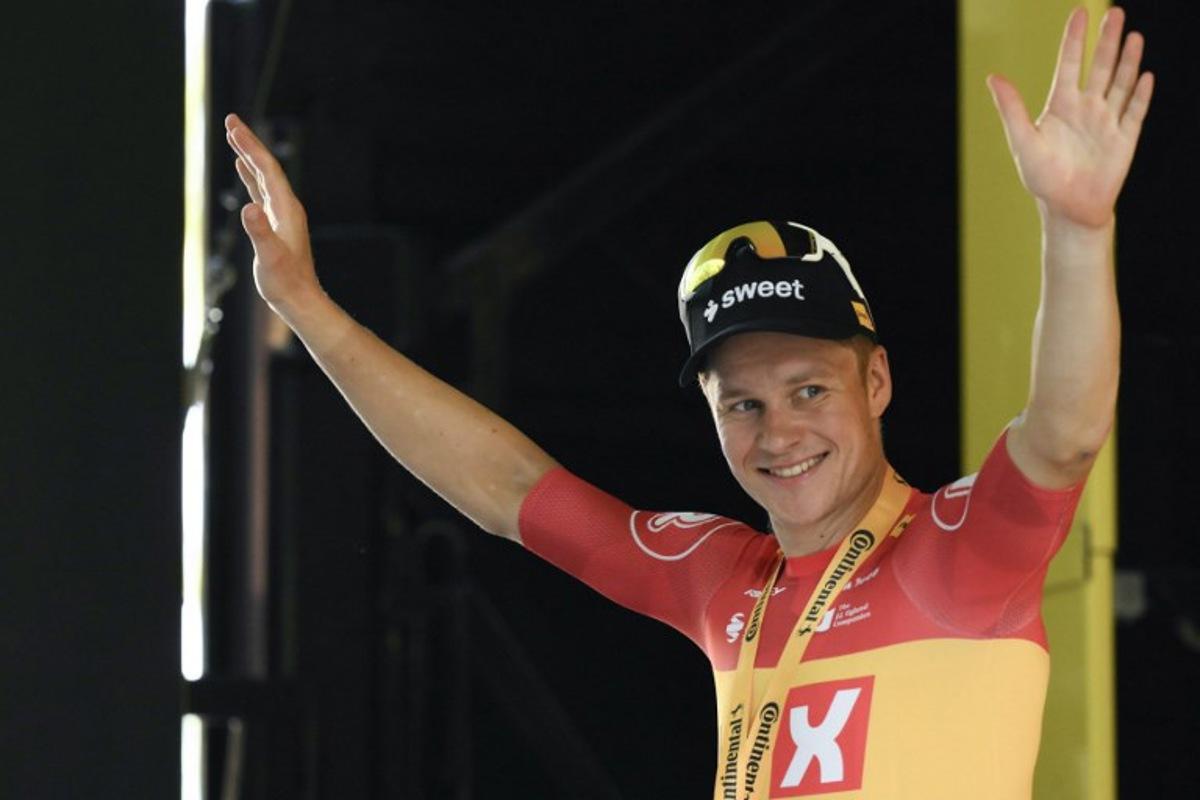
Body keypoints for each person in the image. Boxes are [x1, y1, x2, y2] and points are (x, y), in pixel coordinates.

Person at [224, 6, 1152, 798]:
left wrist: (1076, 231)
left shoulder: (956, 557)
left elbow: (1063, 438)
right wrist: (309, 308)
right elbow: (507, 486)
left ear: (877, 383)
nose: (778, 432)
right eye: (740, 404)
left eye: (809, 389)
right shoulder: (722, 580)